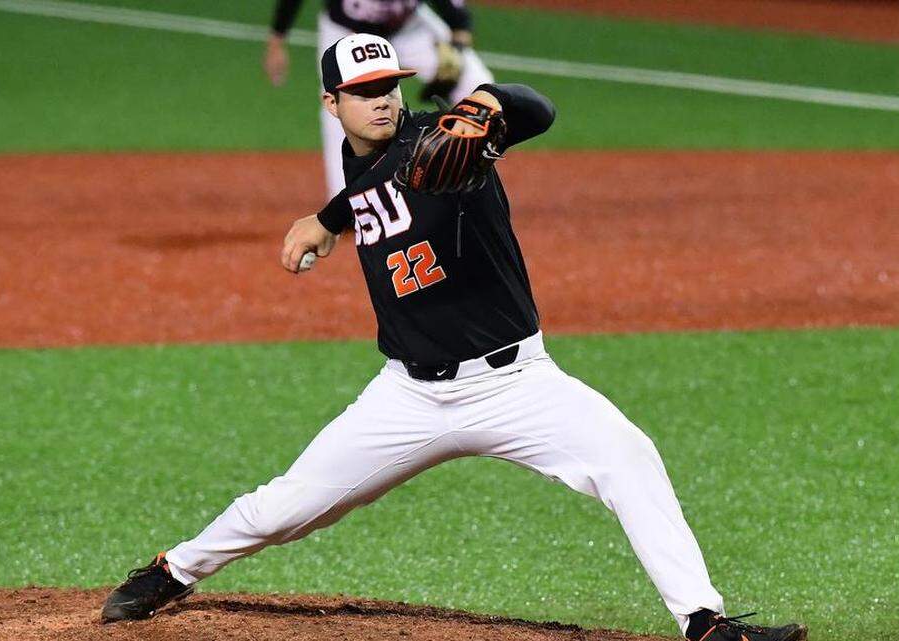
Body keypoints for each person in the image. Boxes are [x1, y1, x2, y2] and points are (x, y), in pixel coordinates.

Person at [102, 34, 808, 641]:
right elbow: (371, 185)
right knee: (288, 504)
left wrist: (488, 106)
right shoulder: (357, 171)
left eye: (389, 86)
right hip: (406, 397)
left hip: (516, 384)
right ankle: (172, 570)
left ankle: (705, 622)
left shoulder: (449, 142)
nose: (382, 100)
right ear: (331, 105)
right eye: (364, 90)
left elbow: (538, 108)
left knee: (629, 455)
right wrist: (327, 217)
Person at [264, 0, 494, 195]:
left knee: (475, 83)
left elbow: (455, 11)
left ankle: (468, 177)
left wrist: (459, 40)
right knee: (341, 108)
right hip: (347, 33)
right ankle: (347, 198)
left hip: (409, 28)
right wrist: (277, 40)